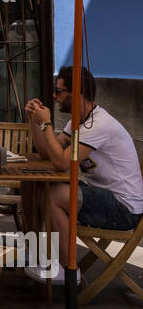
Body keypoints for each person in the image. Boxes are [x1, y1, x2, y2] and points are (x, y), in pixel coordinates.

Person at [25, 66, 143, 284]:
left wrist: (46, 123)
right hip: (104, 195)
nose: (54, 96)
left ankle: (67, 270)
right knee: (41, 189)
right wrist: (34, 121)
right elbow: (46, 153)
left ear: (76, 94)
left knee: (55, 196)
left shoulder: (98, 125)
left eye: (59, 91)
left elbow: (60, 163)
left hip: (124, 208)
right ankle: (39, 255)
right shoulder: (76, 123)